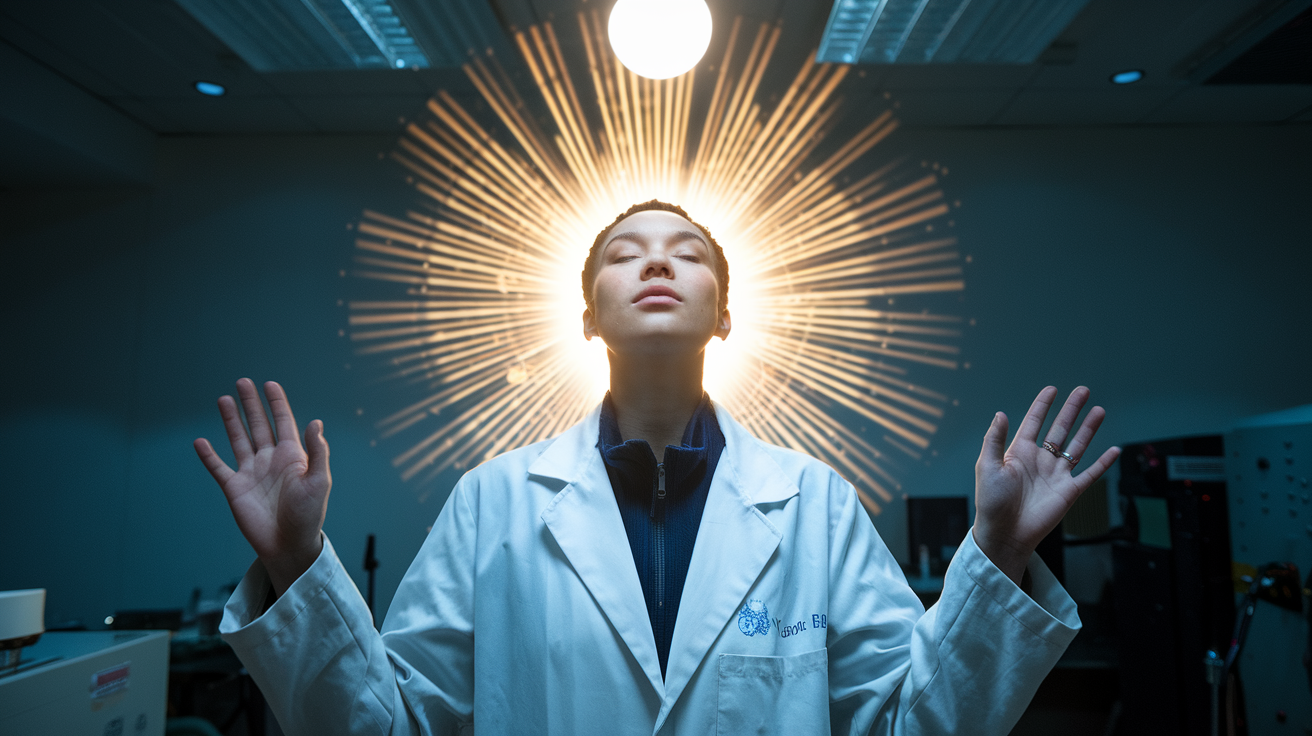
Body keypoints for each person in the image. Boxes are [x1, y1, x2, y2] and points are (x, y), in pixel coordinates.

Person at [196, 200, 1120, 735]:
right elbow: (386, 728)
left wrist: (995, 550)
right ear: (589, 317)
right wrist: (295, 566)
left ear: (724, 317)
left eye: (687, 256)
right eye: (624, 256)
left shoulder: (813, 504)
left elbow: (911, 724)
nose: (656, 265)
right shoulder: (495, 502)